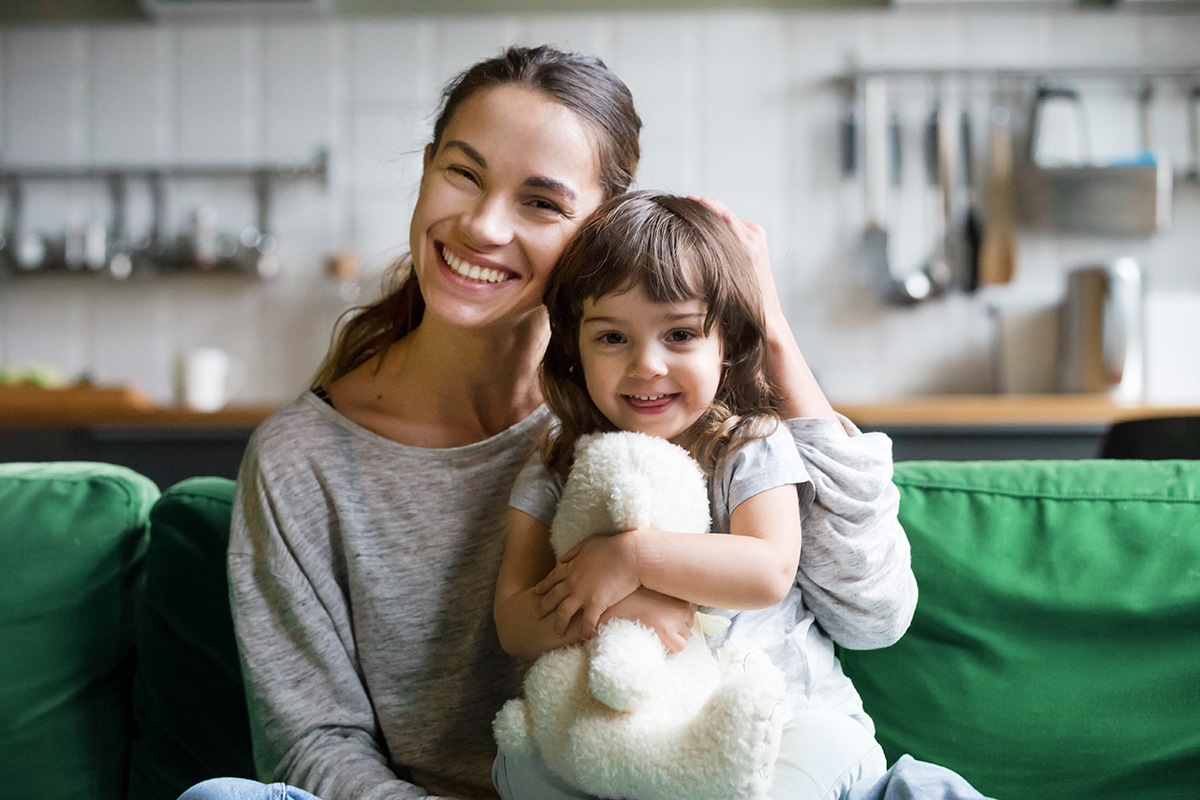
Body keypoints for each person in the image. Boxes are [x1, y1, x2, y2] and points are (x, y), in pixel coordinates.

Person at [178, 44, 918, 800]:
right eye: (463, 173)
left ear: (599, 231)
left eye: (541, 201)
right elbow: (312, 747)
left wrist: (772, 334)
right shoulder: (303, 459)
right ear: (427, 167)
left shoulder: (673, 408)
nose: (483, 226)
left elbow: (875, 614)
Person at [491, 191, 910, 800]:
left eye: (681, 334)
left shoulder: (749, 442)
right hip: (637, 741)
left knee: (817, 752)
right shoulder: (557, 461)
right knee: (521, 770)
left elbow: (768, 568)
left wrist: (629, 559)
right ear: (574, 351)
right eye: (611, 338)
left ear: (729, 344)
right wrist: (610, 611)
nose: (647, 365)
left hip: (788, 724)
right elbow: (513, 620)